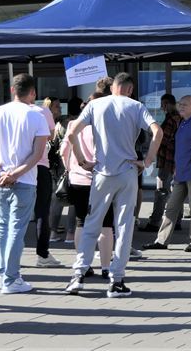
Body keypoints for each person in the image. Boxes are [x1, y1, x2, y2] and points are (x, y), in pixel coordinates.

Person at [64, 73, 162, 298]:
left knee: (91, 224)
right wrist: (147, 162)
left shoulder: (95, 105)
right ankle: (116, 280)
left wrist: (80, 160)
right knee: (124, 226)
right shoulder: (136, 106)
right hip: (127, 171)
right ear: (129, 89)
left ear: (113, 88)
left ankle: (78, 276)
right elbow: (158, 131)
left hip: (101, 173)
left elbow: (71, 132)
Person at [0, 73, 50, 294]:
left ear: (12, 90)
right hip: (25, 179)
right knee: (15, 230)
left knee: (1, 227)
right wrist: (16, 173)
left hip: (0, 179)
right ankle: (11, 277)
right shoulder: (37, 115)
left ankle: (0, 274)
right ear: (33, 93)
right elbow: (38, 153)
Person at [142, 95, 191, 252]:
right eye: (179, 104)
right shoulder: (182, 122)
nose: (181, 107)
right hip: (181, 173)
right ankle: (162, 241)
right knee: (171, 207)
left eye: (184, 104)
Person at [60, 92, 114, 280]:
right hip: (101, 179)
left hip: (78, 180)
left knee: (81, 222)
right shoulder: (105, 125)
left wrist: (72, 168)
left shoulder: (73, 125)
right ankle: (106, 267)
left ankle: (83, 264)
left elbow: (63, 152)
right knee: (106, 224)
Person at [30, 96, 64, 267]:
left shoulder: (1, 112)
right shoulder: (42, 111)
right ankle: (42, 254)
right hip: (40, 165)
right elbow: (51, 135)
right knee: (42, 210)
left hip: (14, 169)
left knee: (13, 215)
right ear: (32, 93)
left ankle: (8, 256)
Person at [141, 94, 181, 232]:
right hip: (175, 159)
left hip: (167, 160)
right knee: (176, 190)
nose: (162, 108)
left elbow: (164, 139)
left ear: (170, 103)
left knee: (161, 191)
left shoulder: (172, 119)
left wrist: (154, 136)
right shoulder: (179, 118)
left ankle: (155, 222)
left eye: (164, 104)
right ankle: (177, 220)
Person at [49, 96, 82, 243]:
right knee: (74, 200)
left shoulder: (60, 123)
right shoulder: (81, 124)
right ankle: (70, 233)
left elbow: (54, 143)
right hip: (75, 163)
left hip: (60, 166)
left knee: (57, 198)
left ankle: (53, 232)